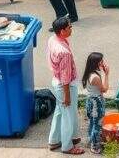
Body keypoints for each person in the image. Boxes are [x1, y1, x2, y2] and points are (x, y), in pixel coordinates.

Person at [47, 16, 83, 155]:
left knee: (59, 111)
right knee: (68, 115)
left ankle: (54, 140)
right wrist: (67, 95)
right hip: (65, 86)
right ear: (62, 31)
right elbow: (66, 77)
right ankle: (67, 146)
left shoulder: (52, 39)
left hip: (56, 82)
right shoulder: (64, 53)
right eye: (69, 27)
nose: (71, 29)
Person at [81, 52, 109, 155]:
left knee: (92, 123)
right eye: (101, 61)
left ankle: (92, 140)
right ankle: (95, 146)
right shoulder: (95, 77)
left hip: (90, 101)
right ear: (96, 63)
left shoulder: (90, 73)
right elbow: (104, 89)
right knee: (97, 125)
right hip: (96, 103)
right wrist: (107, 74)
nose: (103, 63)